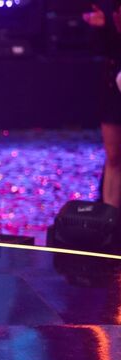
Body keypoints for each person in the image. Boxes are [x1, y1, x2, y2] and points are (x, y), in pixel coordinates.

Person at [84, 1, 121, 207]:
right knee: (114, 157)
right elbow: (100, 48)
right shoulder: (107, 8)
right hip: (114, 81)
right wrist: (102, 29)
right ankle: (109, 220)